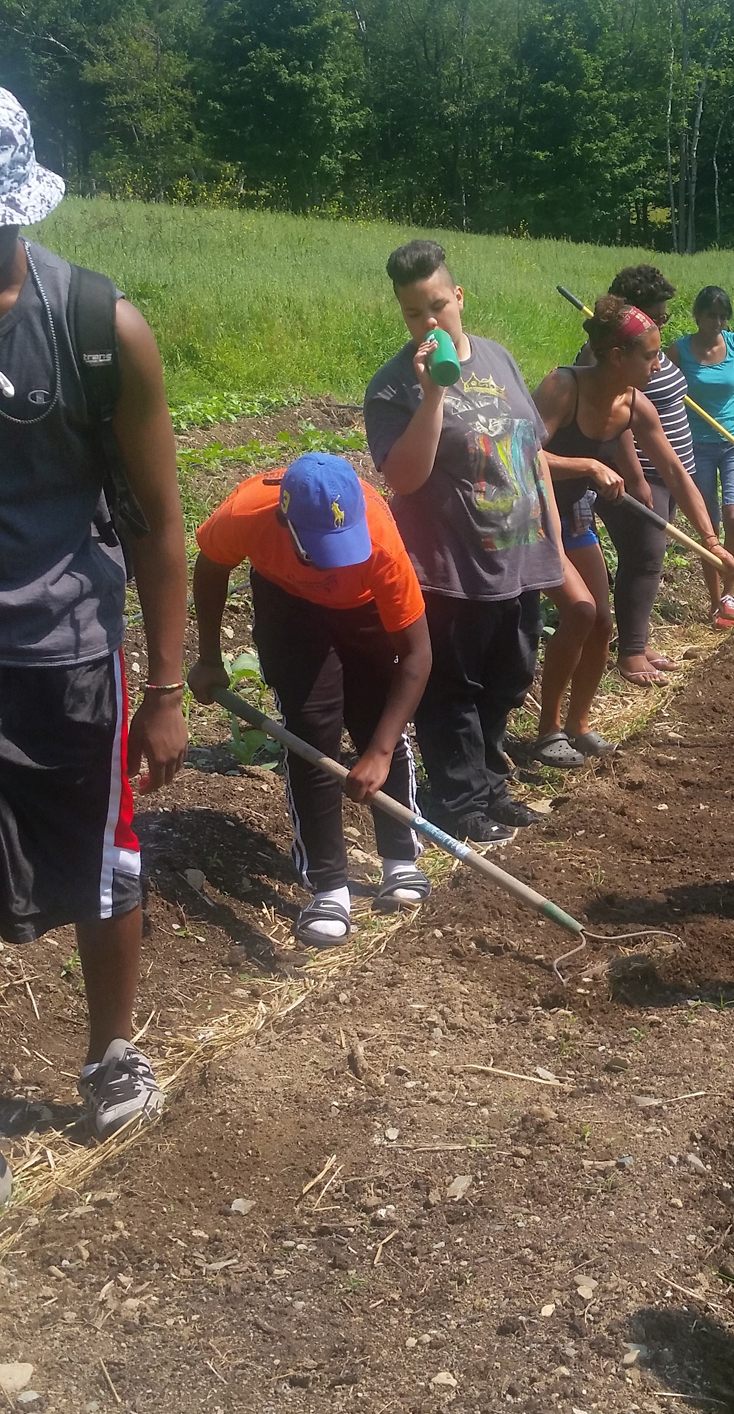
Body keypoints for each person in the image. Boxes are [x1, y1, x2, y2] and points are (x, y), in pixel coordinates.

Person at [0, 91, 188, 1142]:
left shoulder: (98, 329)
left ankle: (112, 1052)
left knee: (104, 863)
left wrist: (165, 690)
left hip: (68, 649)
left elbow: (161, 523)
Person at [365, 241, 566, 844]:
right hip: (447, 565)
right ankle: (459, 799)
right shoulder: (394, 385)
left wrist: (552, 540)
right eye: (412, 313)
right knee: (454, 687)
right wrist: (433, 394)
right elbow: (403, 477)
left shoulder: (501, 359)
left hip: (517, 556)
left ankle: (489, 781)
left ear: (458, 297)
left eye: (436, 306)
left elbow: (533, 453)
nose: (429, 322)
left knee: (510, 675)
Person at [188, 454, 432, 947]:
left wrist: (380, 752)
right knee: (309, 732)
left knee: (376, 719)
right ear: (287, 521)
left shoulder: (380, 545)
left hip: (363, 609)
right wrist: (210, 658)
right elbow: (211, 571)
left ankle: (400, 858)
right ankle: (328, 886)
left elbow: (417, 654)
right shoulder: (247, 514)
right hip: (289, 605)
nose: (334, 560)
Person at [532, 299, 734, 746]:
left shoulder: (633, 404)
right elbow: (521, 455)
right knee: (581, 611)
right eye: (649, 354)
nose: (658, 363)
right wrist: (587, 465)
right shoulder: (563, 387)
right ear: (616, 357)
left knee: (603, 623)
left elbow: (676, 474)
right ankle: (547, 729)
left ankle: (579, 726)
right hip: (531, 517)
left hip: (571, 518)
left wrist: (711, 541)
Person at [599, 264, 699, 679]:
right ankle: (631, 655)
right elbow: (613, 416)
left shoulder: (649, 349)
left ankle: (636, 637)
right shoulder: (604, 356)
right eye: (657, 315)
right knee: (645, 555)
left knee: (647, 559)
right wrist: (637, 477)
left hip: (667, 469)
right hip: (639, 471)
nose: (662, 322)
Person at [669, 285, 734, 628]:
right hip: (694, 444)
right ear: (697, 316)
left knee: (733, 515)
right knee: (708, 525)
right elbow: (662, 391)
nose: (717, 322)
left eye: (722, 316)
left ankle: (731, 594)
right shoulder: (680, 350)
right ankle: (715, 601)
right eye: (711, 315)